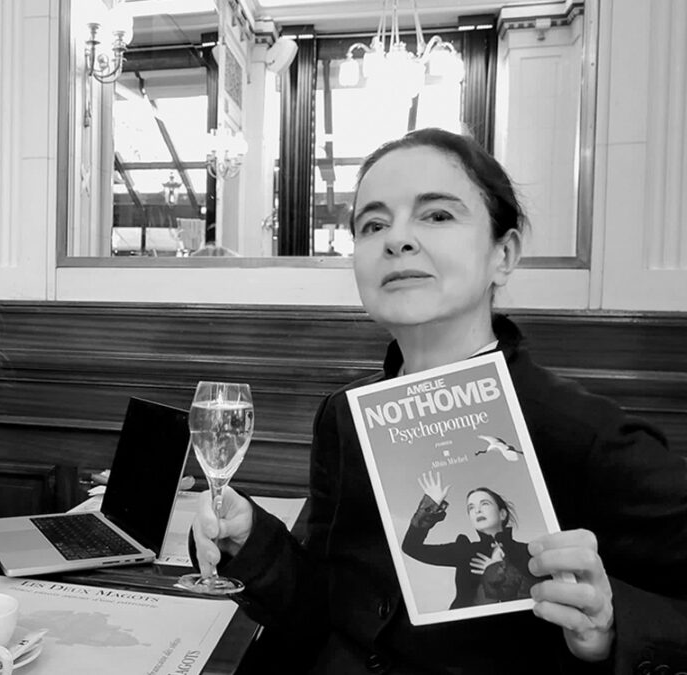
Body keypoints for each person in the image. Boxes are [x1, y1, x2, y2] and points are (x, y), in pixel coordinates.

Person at [191, 128, 687, 673]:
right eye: (373, 224)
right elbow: (326, 606)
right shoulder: (346, 416)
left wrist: (610, 627)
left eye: (437, 216)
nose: (397, 240)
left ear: (505, 254)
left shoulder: (584, 435)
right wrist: (252, 539)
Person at [401, 472, 539, 609]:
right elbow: (411, 547)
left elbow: (536, 594)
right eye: (471, 508)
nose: (477, 510)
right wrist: (430, 507)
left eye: (484, 504)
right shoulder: (464, 550)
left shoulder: (527, 551)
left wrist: (502, 573)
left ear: (502, 514)